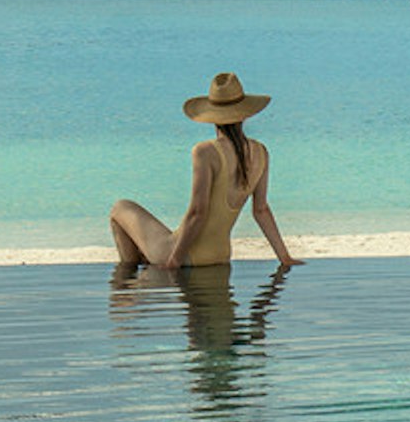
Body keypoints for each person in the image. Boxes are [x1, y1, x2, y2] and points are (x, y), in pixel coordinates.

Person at [110, 72, 297, 272]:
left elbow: (198, 212)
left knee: (120, 208)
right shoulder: (261, 152)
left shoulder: (206, 152)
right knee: (155, 232)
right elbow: (261, 210)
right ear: (244, 114)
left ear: (212, 115)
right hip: (221, 255)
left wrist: (174, 260)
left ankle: (128, 277)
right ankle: (140, 275)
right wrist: (285, 258)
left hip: (185, 253)